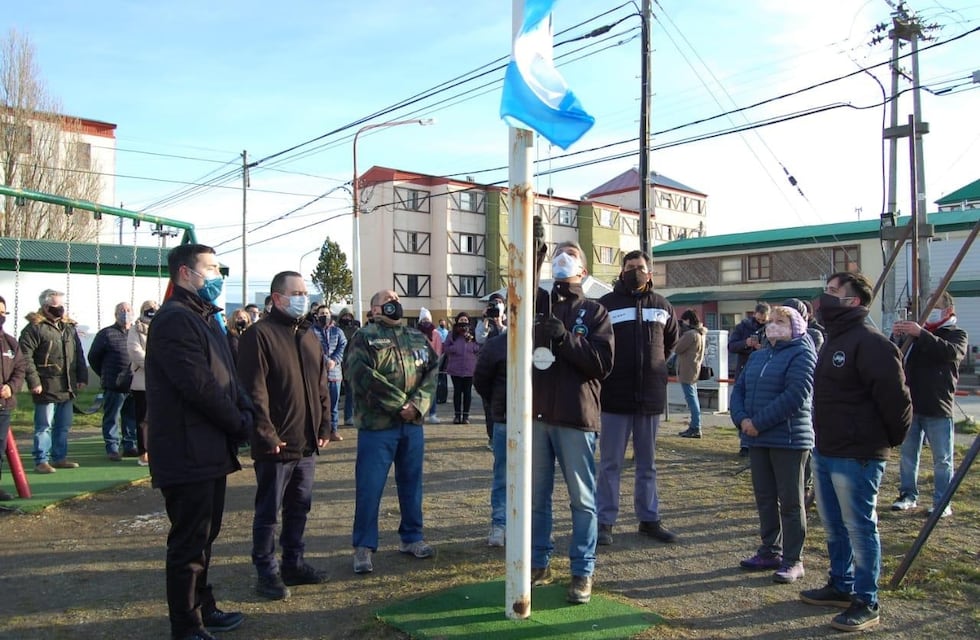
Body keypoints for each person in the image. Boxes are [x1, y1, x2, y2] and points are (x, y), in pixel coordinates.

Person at [145, 244, 253, 640]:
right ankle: (186, 625)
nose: (218, 275)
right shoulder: (175, 320)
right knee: (189, 543)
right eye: (211, 268)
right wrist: (240, 423)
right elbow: (200, 388)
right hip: (186, 449)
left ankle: (204, 608)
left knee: (206, 536)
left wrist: (246, 411)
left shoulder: (206, 318)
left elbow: (229, 375)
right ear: (186, 274)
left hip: (209, 448)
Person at [799, 271, 911, 633]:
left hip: (859, 455)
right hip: (828, 450)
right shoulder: (834, 339)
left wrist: (882, 442)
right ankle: (840, 585)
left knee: (861, 529)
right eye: (826, 290)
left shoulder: (871, 343)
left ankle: (867, 599)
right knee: (835, 528)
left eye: (834, 292)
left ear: (854, 302)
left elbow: (898, 401)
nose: (825, 297)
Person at [238, 271, 331, 600]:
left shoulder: (308, 335)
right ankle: (267, 572)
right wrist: (266, 433)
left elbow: (321, 386)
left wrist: (325, 426)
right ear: (277, 298)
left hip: (306, 444)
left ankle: (293, 563)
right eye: (296, 292)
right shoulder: (258, 336)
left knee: (299, 508)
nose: (303, 298)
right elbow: (253, 391)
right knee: (269, 512)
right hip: (276, 445)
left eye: (305, 292)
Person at [531, 241, 614, 605]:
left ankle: (582, 571)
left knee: (582, 500)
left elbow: (601, 363)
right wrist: (532, 260)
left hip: (576, 417)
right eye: (558, 254)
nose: (564, 258)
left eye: (573, 255)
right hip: (537, 415)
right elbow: (520, 296)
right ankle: (537, 563)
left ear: (583, 269)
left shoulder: (596, 311)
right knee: (536, 499)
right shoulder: (540, 304)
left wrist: (565, 339)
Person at [346, 289, 439, 574]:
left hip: (411, 427)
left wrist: (418, 405)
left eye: (397, 299)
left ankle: (412, 538)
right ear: (374, 309)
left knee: (412, 484)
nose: (394, 304)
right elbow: (361, 376)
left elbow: (432, 371)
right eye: (387, 301)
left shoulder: (416, 337)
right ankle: (363, 547)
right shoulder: (364, 337)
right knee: (370, 486)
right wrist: (400, 404)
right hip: (378, 428)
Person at [596, 250, 678, 548]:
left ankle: (649, 519)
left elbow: (669, 344)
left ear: (650, 272)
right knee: (610, 464)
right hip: (614, 397)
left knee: (648, 464)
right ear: (621, 272)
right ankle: (605, 522)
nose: (635, 272)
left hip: (650, 398)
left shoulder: (662, 306)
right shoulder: (605, 306)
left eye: (640, 267)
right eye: (630, 267)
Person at [731, 306, 816, 584]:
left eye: (782, 321)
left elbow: (796, 395)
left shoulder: (803, 353)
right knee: (765, 498)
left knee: (791, 502)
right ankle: (770, 549)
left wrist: (759, 422)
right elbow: (740, 390)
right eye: (772, 321)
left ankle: (794, 559)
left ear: (797, 326)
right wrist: (742, 419)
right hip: (757, 439)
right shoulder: (759, 355)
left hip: (789, 440)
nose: (774, 326)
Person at [890, 291, 968, 518]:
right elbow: (895, 358)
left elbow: (949, 353)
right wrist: (896, 338)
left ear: (947, 310)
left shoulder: (956, 334)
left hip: (938, 406)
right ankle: (907, 495)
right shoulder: (915, 336)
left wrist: (921, 333)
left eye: (935, 306)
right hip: (911, 406)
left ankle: (942, 501)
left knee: (942, 458)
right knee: (907, 455)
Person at [19, 289, 88, 474]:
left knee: (63, 425)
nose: (60, 310)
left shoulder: (69, 328)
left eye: (61, 306)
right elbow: (25, 357)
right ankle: (41, 459)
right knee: (44, 425)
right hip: (46, 383)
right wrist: (34, 381)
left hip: (67, 384)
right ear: (45, 307)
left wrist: (82, 376)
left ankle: (59, 457)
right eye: (55, 306)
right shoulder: (34, 329)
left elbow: (78, 354)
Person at [88, 301, 139, 461]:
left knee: (131, 416)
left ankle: (130, 446)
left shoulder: (136, 333)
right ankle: (112, 448)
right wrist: (106, 373)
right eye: (121, 311)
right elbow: (93, 357)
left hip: (134, 383)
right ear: (115, 314)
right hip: (114, 384)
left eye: (128, 310)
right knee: (112, 416)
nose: (125, 313)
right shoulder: (106, 334)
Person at [473, 321, 508, 546]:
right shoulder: (496, 345)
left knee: (539, 478)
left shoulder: (543, 343)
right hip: (505, 419)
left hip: (538, 420)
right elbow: (481, 380)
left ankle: (536, 525)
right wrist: (498, 402)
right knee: (503, 475)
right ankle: (500, 523)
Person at [0, 295, 27, 501]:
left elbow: (20, 368)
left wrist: (11, 387)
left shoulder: (9, 342)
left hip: (4, 405)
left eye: (3, 313)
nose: (1, 317)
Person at [128, 300, 158, 467]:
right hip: (143, 381)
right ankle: (143, 452)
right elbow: (134, 351)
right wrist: (153, 364)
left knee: (159, 419)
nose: (152, 311)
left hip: (161, 382)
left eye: (154, 309)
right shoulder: (136, 329)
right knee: (144, 419)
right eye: (148, 309)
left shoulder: (162, 326)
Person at [311, 305, 347, 440]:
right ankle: (319, 431)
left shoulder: (338, 331)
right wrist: (325, 360)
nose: (324, 315)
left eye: (326, 313)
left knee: (333, 405)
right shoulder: (312, 331)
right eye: (321, 313)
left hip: (335, 375)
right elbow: (312, 348)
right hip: (317, 374)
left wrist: (334, 360)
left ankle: (333, 430)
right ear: (316, 315)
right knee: (319, 405)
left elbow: (342, 346)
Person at [443, 312, 479, 424]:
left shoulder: (473, 333)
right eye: (461, 320)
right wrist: (455, 348)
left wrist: (473, 345)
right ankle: (457, 415)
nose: (463, 322)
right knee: (457, 392)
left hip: (470, 368)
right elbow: (446, 348)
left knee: (468, 393)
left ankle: (466, 416)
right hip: (455, 368)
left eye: (465, 320)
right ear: (457, 321)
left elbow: (479, 347)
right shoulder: (452, 334)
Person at [676, 309, 707, 438]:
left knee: (691, 399)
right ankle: (695, 425)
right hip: (694, 368)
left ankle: (695, 426)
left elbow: (677, 348)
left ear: (688, 320)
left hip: (687, 369)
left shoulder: (690, 335)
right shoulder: (701, 333)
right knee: (693, 397)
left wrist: (679, 335)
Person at [416, 308, 443, 423]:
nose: (425, 322)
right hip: (418, 365)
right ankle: (419, 413)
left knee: (432, 390)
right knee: (418, 391)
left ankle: (432, 414)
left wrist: (434, 362)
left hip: (432, 365)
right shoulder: (416, 333)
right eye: (423, 319)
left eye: (427, 319)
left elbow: (438, 350)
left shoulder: (436, 333)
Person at [728, 302, 770, 379]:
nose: (760, 322)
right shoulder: (742, 327)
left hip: (764, 369)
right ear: (754, 314)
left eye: (763, 320)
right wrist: (745, 343)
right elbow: (731, 347)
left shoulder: (772, 328)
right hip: (744, 368)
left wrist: (763, 348)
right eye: (758, 319)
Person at [336, 307, 360, 426]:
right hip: (337, 363)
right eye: (345, 316)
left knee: (351, 392)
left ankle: (349, 417)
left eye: (349, 316)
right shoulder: (336, 330)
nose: (347, 318)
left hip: (351, 363)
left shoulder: (356, 330)